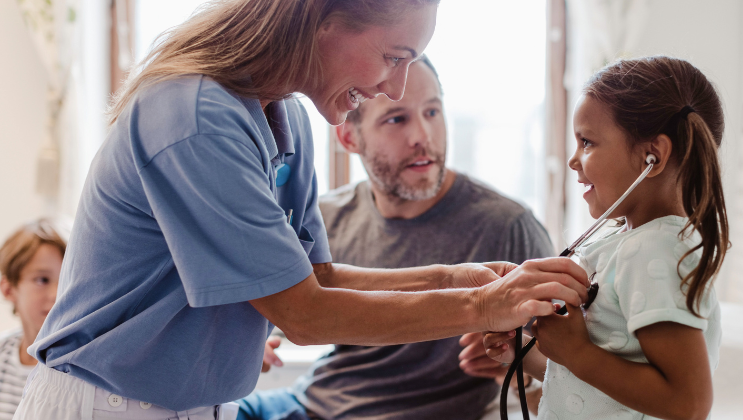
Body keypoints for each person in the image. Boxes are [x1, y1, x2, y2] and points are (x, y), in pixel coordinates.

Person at [15, 0, 590, 418]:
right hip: (107, 402)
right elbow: (304, 315)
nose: (395, 84)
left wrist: (459, 278)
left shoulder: (284, 114)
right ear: (319, 14)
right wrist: (485, 307)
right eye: (394, 56)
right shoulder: (193, 117)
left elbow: (317, 278)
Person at [236, 56, 553, 420]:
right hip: (304, 403)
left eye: (432, 112)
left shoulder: (508, 228)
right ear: (349, 136)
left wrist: (516, 373)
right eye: (396, 119)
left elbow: (569, 385)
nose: (422, 136)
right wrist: (248, 343)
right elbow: (276, 306)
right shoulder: (327, 218)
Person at [476, 56, 729, 419]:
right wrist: (521, 354)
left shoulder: (653, 250)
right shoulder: (629, 243)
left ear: (651, 157)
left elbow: (687, 402)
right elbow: (597, 383)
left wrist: (577, 351)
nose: (573, 160)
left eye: (588, 143)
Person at [0, 219, 65, 419]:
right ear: (9, 289)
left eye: (67, 279)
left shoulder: (82, 368)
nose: (58, 294)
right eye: (42, 280)